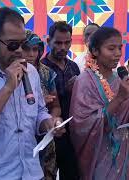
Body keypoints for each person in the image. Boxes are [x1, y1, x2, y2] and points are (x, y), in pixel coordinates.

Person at [0, 7, 65, 180]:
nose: (19, 51)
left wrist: (48, 123)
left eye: (23, 44)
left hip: (32, 172)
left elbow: (39, 111)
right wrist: (8, 88)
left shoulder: (31, 72)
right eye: (12, 45)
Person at [69, 27, 129, 180]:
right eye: (111, 48)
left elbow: (127, 119)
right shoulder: (84, 82)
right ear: (95, 51)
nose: (118, 53)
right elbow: (81, 126)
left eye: (120, 47)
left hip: (123, 154)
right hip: (98, 156)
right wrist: (119, 98)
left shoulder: (120, 79)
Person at [41, 21, 80, 180]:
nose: (63, 47)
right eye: (58, 42)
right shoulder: (41, 67)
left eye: (67, 42)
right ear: (48, 41)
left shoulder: (73, 67)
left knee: (71, 172)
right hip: (49, 130)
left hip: (72, 130)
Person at [22, 30, 60, 180]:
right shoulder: (9, 73)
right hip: (21, 134)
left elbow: (56, 105)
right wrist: (40, 101)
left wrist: (54, 120)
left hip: (44, 133)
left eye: (35, 49)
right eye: (26, 48)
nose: (31, 54)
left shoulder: (46, 73)